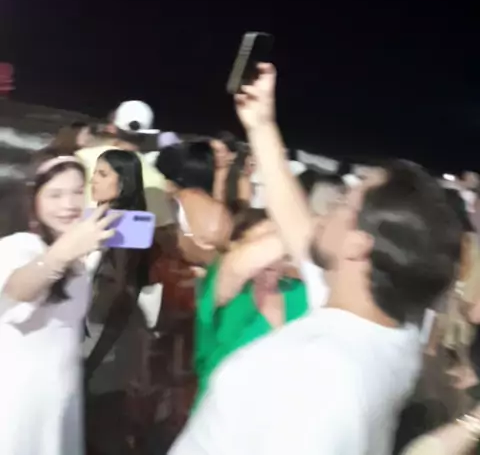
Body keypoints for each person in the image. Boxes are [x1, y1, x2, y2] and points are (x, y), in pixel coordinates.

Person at [169, 65, 462, 455]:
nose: (323, 213)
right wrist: (261, 125)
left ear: (357, 246)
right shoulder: (390, 325)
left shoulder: (315, 376)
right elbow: (297, 224)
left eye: (343, 203)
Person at [0, 151, 115, 455]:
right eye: (55, 195)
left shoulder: (71, 251)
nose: (69, 204)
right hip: (18, 399)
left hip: (60, 395)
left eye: (77, 192)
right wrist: (61, 255)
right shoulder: (19, 245)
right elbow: (15, 290)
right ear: (33, 199)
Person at [194, 207, 308, 407]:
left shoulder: (300, 293)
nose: (271, 256)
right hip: (222, 413)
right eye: (260, 240)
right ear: (235, 248)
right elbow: (237, 267)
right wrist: (302, 232)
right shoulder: (222, 285)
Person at [84, 149, 152, 454]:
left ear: (123, 182)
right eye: (94, 173)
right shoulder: (95, 218)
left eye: (102, 174)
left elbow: (123, 292)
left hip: (103, 337)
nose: (93, 181)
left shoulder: (129, 226)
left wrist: (95, 354)